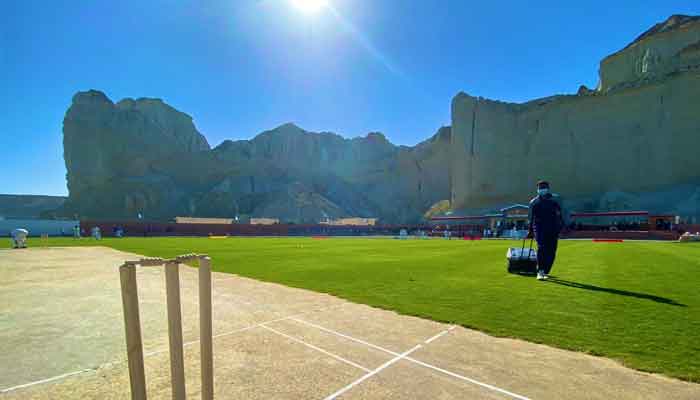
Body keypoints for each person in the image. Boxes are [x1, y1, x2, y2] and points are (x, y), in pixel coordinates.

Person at [528, 181, 565, 281]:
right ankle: (540, 271)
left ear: (548, 188)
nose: (542, 189)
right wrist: (530, 230)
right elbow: (530, 218)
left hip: (553, 227)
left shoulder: (556, 199)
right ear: (537, 189)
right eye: (540, 187)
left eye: (544, 187)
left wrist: (563, 226)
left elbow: (562, 213)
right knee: (541, 248)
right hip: (539, 228)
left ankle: (546, 271)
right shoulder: (533, 202)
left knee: (552, 251)